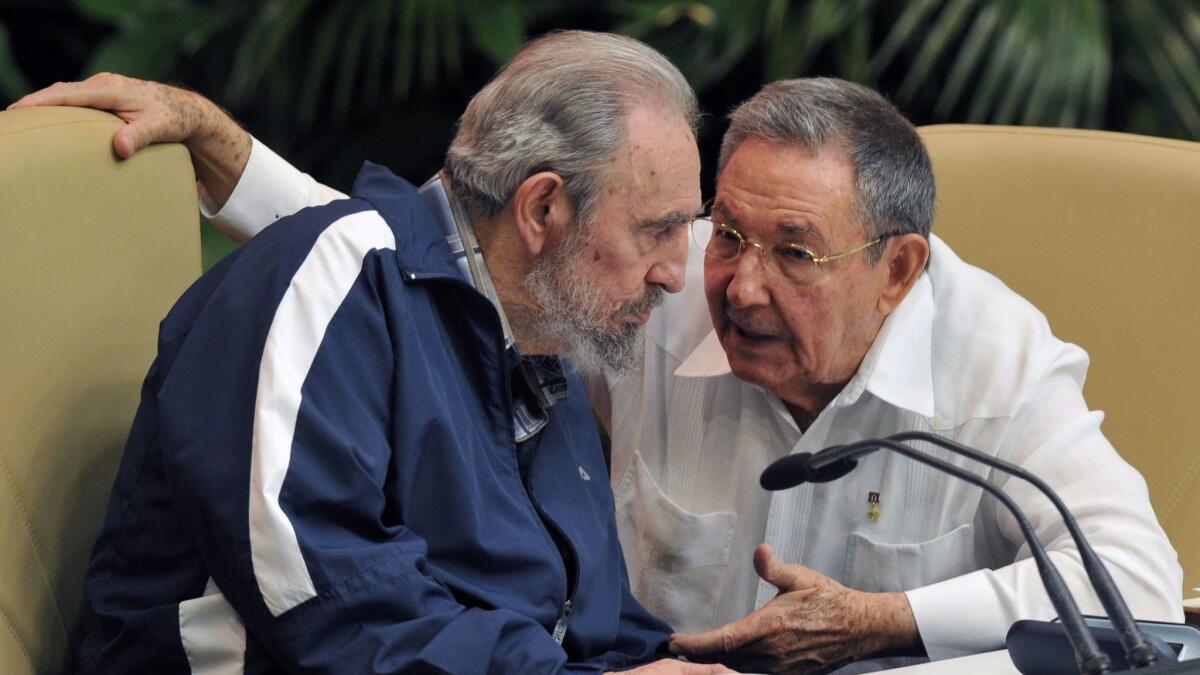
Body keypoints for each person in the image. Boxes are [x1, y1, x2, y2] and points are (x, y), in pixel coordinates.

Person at [16, 71, 1183, 672]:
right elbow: (436, 285)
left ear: (900, 271)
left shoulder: (990, 350)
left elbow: (1137, 586)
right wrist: (239, 169)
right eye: (720, 230)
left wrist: (881, 622)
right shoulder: (659, 297)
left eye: (794, 254)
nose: (732, 284)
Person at [11, 31, 737, 674]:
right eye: (658, 229)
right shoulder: (333, 278)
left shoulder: (543, 338)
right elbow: (323, 597)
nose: (677, 271)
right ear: (543, 208)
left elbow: (584, 618)